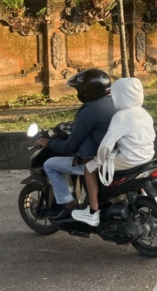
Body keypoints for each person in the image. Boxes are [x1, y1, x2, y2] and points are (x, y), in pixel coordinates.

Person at [71, 77, 156, 227]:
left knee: (89, 169)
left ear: (120, 95)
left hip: (129, 160)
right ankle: (139, 193)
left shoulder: (121, 116)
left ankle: (93, 211)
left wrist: (96, 162)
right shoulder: (143, 113)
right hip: (147, 156)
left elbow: (106, 146)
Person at [36, 69, 116, 221]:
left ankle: (69, 204)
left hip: (97, 160)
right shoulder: (114, 103)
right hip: (119, 155)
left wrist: (49, 142)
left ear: (87, 91)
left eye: (79, 89)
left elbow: (69, 147)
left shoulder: (89, 110)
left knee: (50, 164)